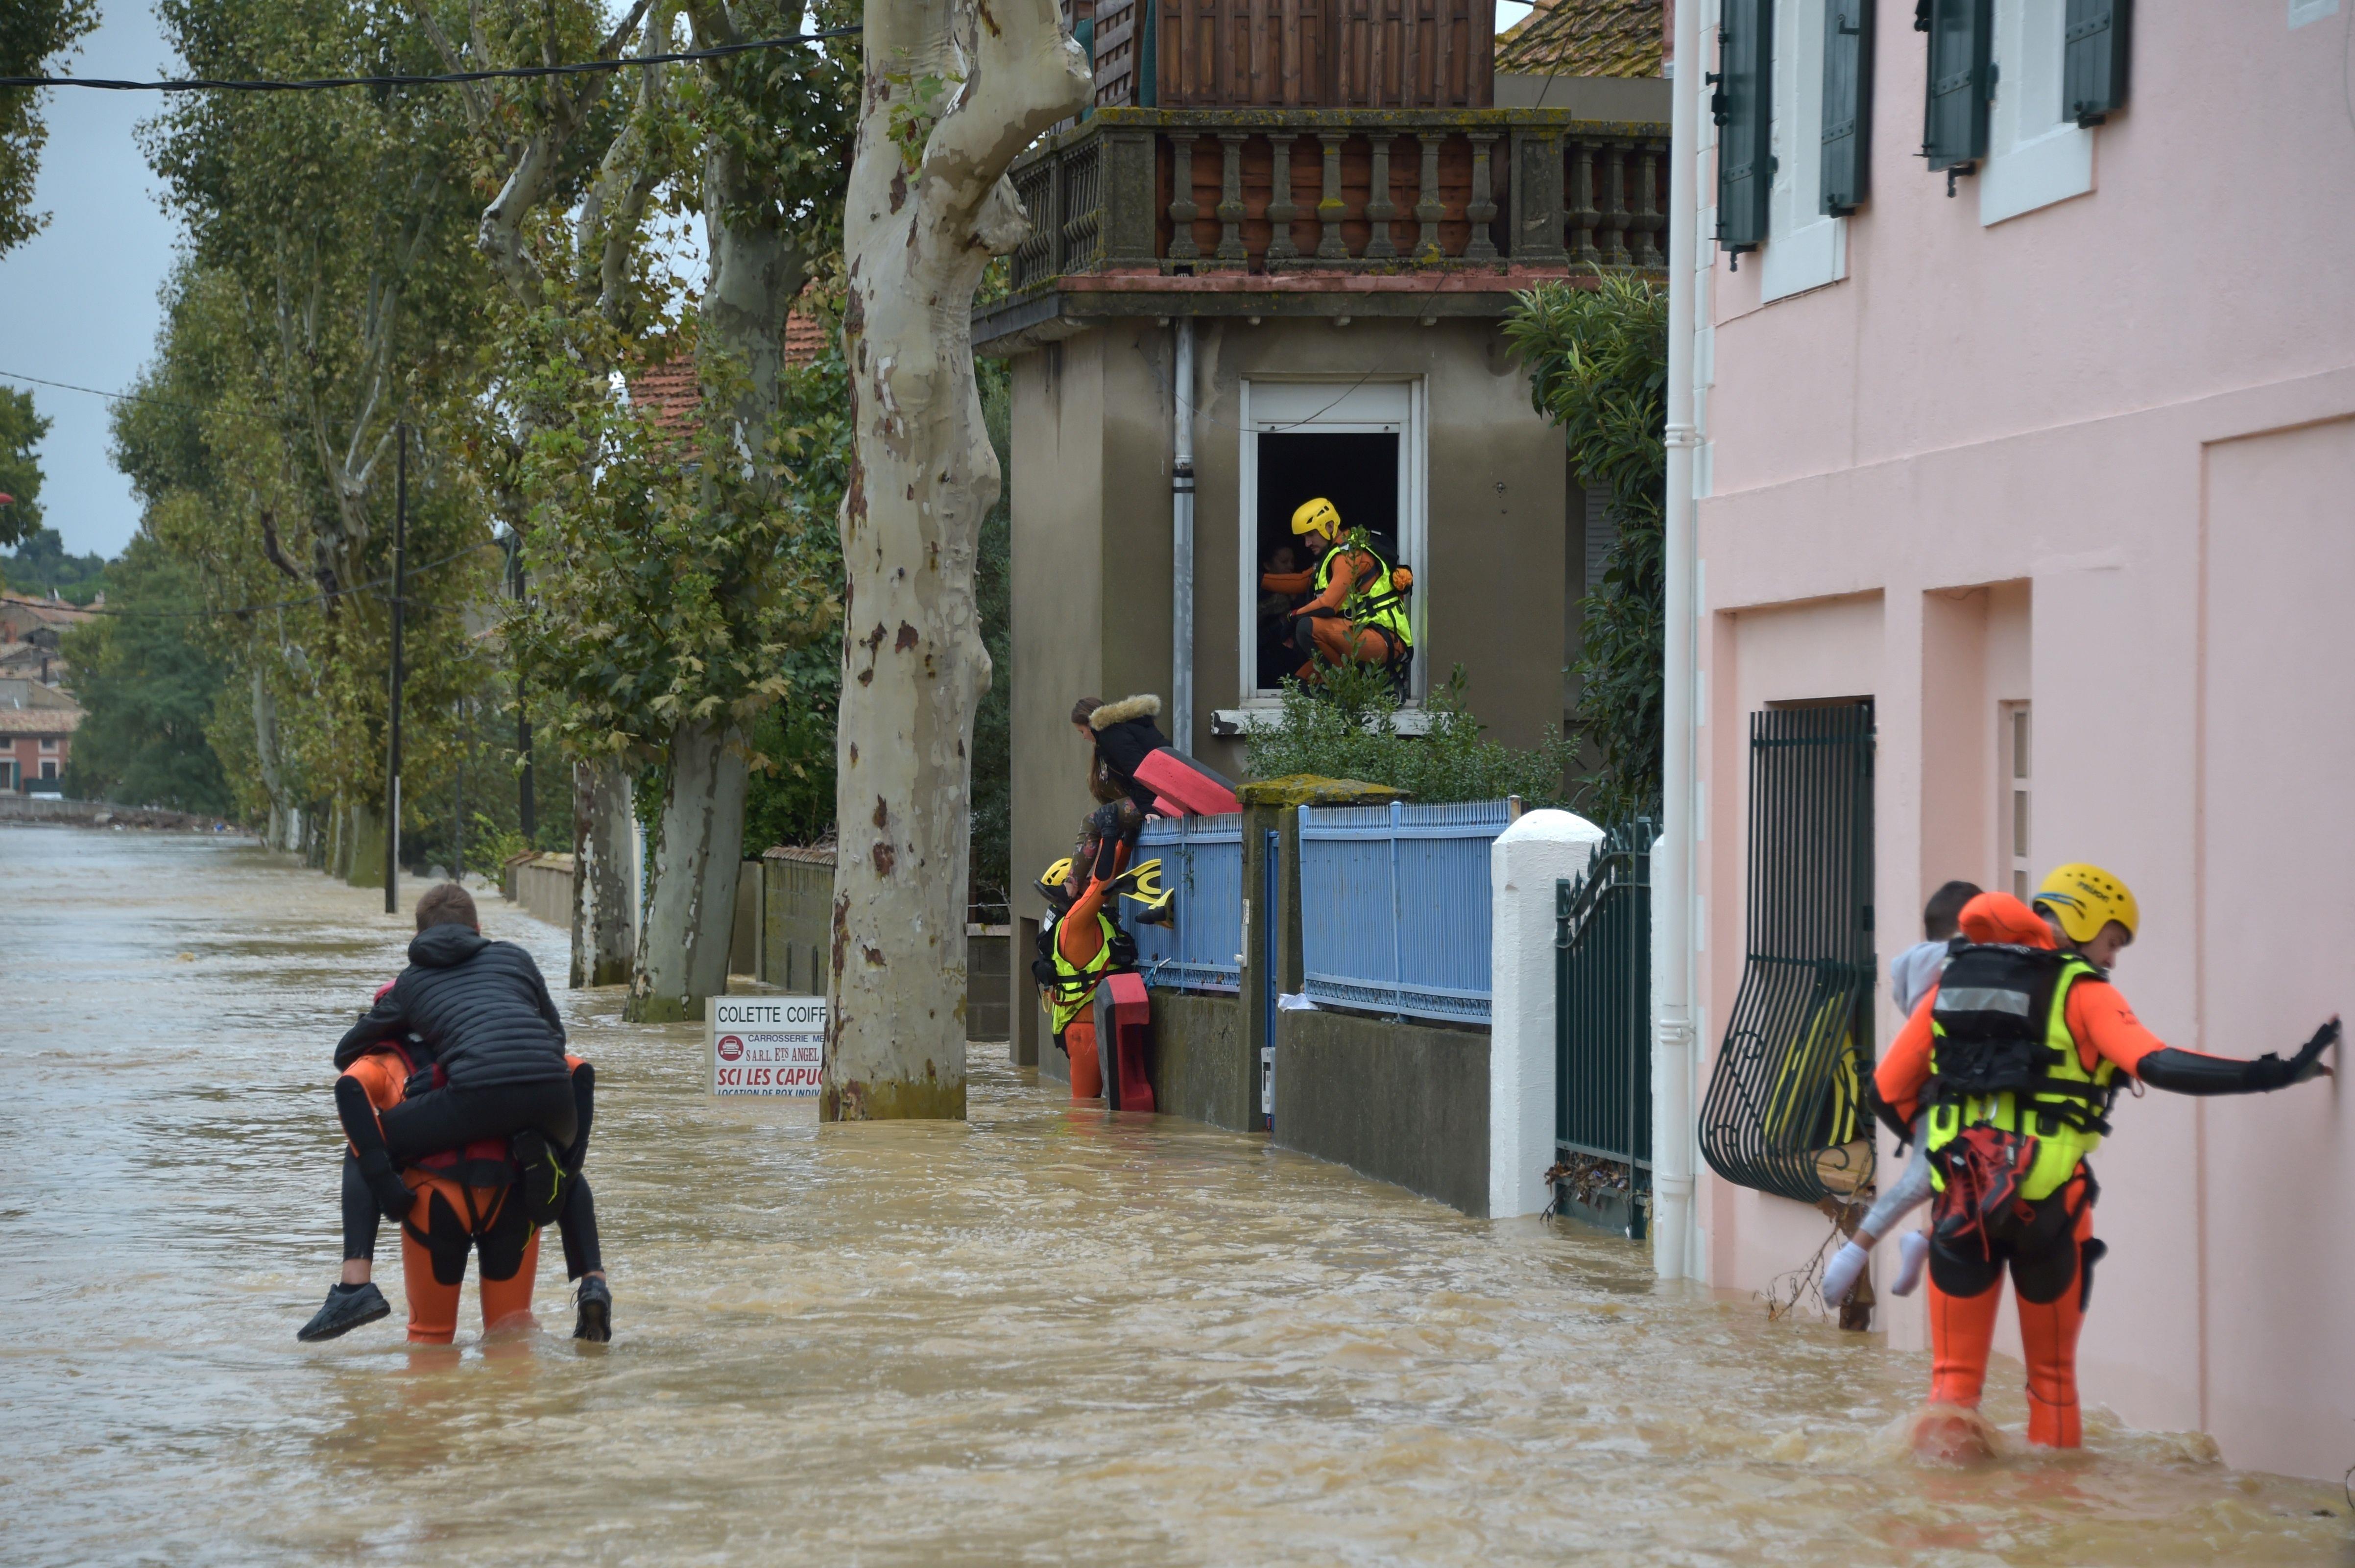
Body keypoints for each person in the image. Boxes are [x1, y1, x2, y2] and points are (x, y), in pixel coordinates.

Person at [1874, 865, 2336, 1450]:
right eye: (2112, 941)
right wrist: (2275, 1073)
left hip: (1960, 1205)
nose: (2113, 959)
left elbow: (1886, 1090)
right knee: (2052, 1384)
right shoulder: (2085, 992)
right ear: (2082, 922)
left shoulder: (1952, 986)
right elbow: (2158, 1064)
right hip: (2048, 1212)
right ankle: (2058, 1529)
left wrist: (1940, 1159)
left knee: (1952, 1389)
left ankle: (1943, 1524)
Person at [323, 882, 614, 1339]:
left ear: (418, 937)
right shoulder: (515, 957)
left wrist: (420, 1039)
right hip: (554, 1101)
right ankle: (592, 1278)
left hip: (471, 1108)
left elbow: (348, 1062)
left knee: (368, 1141)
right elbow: (559, 1041)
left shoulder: (411, 983)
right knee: (512, 1332)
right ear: (479, 929)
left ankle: (354, 1284)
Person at [1822, 879, 1982, 1308]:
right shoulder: (1965, 963)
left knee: (1959, 1185)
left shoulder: (1914, 968)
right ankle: (1858, 1252)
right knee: (1932, 1181)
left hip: (1928, 1093)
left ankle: (1919, 1241)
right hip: (1960, 1098)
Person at [1257, 497, 1413, 683]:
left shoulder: (1349, 555)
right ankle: (1344, 682)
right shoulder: (1334, 553)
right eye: (1304, 538)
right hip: (1358, 636)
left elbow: (1329, 605)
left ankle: (1347, 685)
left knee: (1308, 628)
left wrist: (1292, 617)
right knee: (1301, 685)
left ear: (1329, 526)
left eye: (1311, 535)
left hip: (1383, 641)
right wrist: (1255, 580)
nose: (1307, 544)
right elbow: (1302, 581)